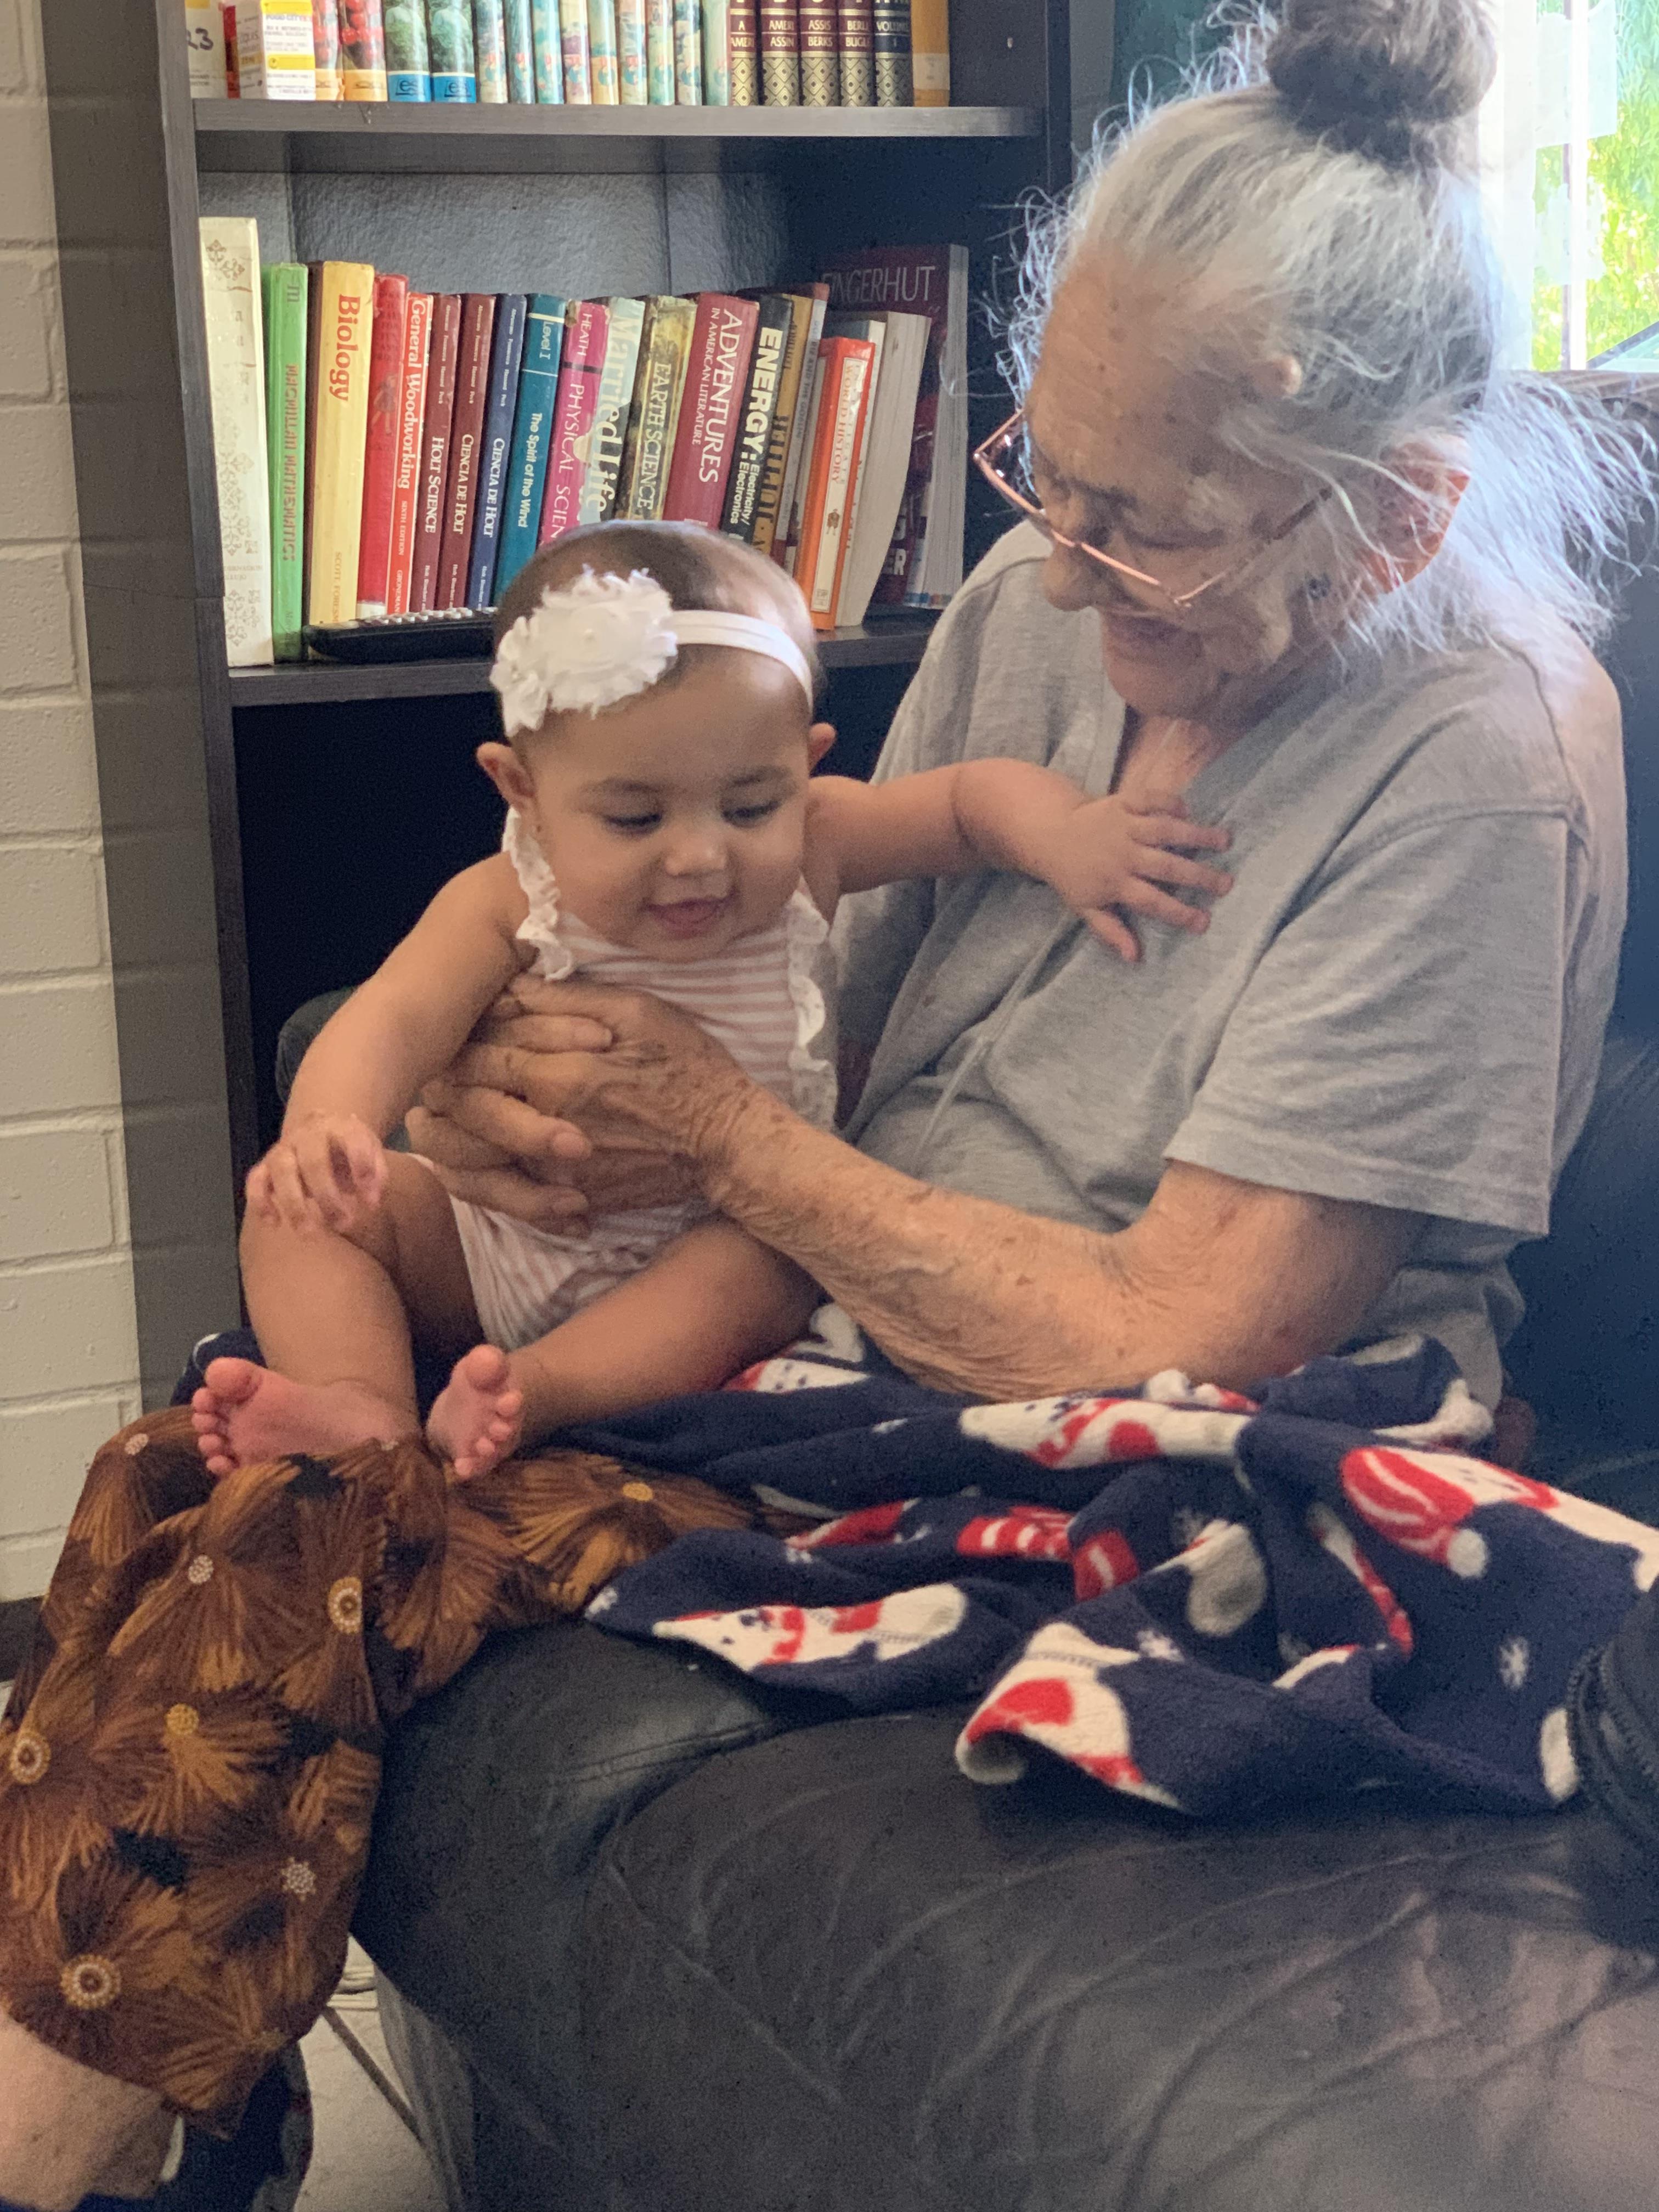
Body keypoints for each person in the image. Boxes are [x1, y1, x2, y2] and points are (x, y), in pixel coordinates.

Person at [1, 1, 1649, 2207]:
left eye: (1142, 522)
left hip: (1149, 1428)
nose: (1059, 561)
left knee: (318, 1536)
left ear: (1396, 516)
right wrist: (531, 1102)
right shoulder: (1044, 604)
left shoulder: (1478, 763)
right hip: (811, 1300)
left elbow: (1205, 1320)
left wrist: (729, 1149)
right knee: (182, 1476)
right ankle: (178, 2116)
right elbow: (811, 1004)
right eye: (1038, 475)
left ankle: (76, 2153)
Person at [190, 521, 1232, 1482]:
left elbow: (963, 803)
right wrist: (325, 1129)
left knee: (770, 1265)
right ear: (523, 792)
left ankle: (537, 1395)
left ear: (808, 764)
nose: (700, 856)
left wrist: (1069, 839)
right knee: (292, 1220)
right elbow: (394, 1017)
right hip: (493, 1247)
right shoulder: (508, 897)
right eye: (636, 817)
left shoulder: (818, 842)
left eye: (749, 804)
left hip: (711, 1248)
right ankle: (361, 1413)